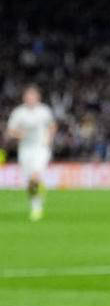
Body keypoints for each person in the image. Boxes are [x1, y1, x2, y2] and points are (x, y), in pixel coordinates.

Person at [6, 85, 56, 221]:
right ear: (24, 98)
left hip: (40, 148)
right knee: (30, 182)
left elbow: (52, 125)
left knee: (35, 175)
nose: (31, 98)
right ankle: (36, 205)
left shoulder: (44, 111)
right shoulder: (19, 112)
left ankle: (37, 203)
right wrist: (19, 134)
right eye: (28, 96)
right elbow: (10, 130)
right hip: (25, 149)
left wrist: (49, 138)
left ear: (38, 97)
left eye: (33, 96)